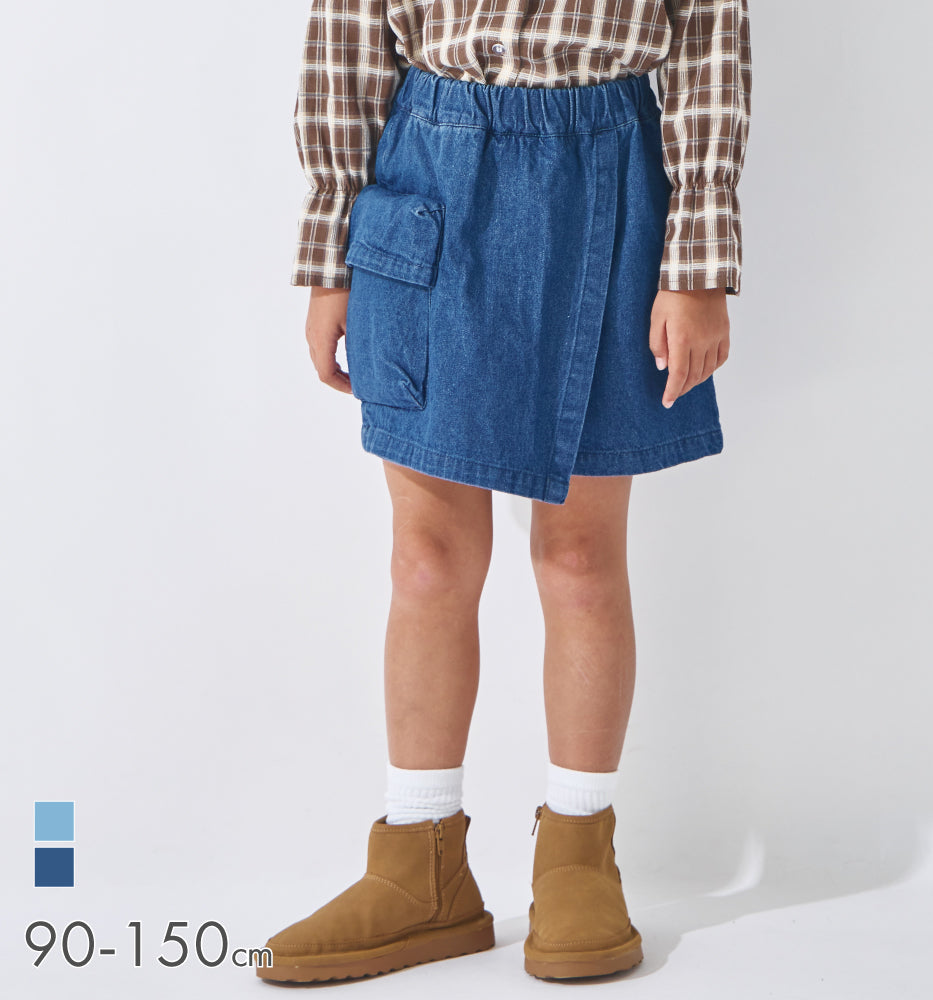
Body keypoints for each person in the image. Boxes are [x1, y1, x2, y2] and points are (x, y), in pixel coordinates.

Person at [258, 0, 751, 984]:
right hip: (426, 177)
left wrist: (698, 262)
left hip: (604, 171)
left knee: (579, 556)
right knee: (426, 559)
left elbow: (710, 40)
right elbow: (347, 35)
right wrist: (327, 253)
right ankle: (418, 862)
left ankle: (578, 851)